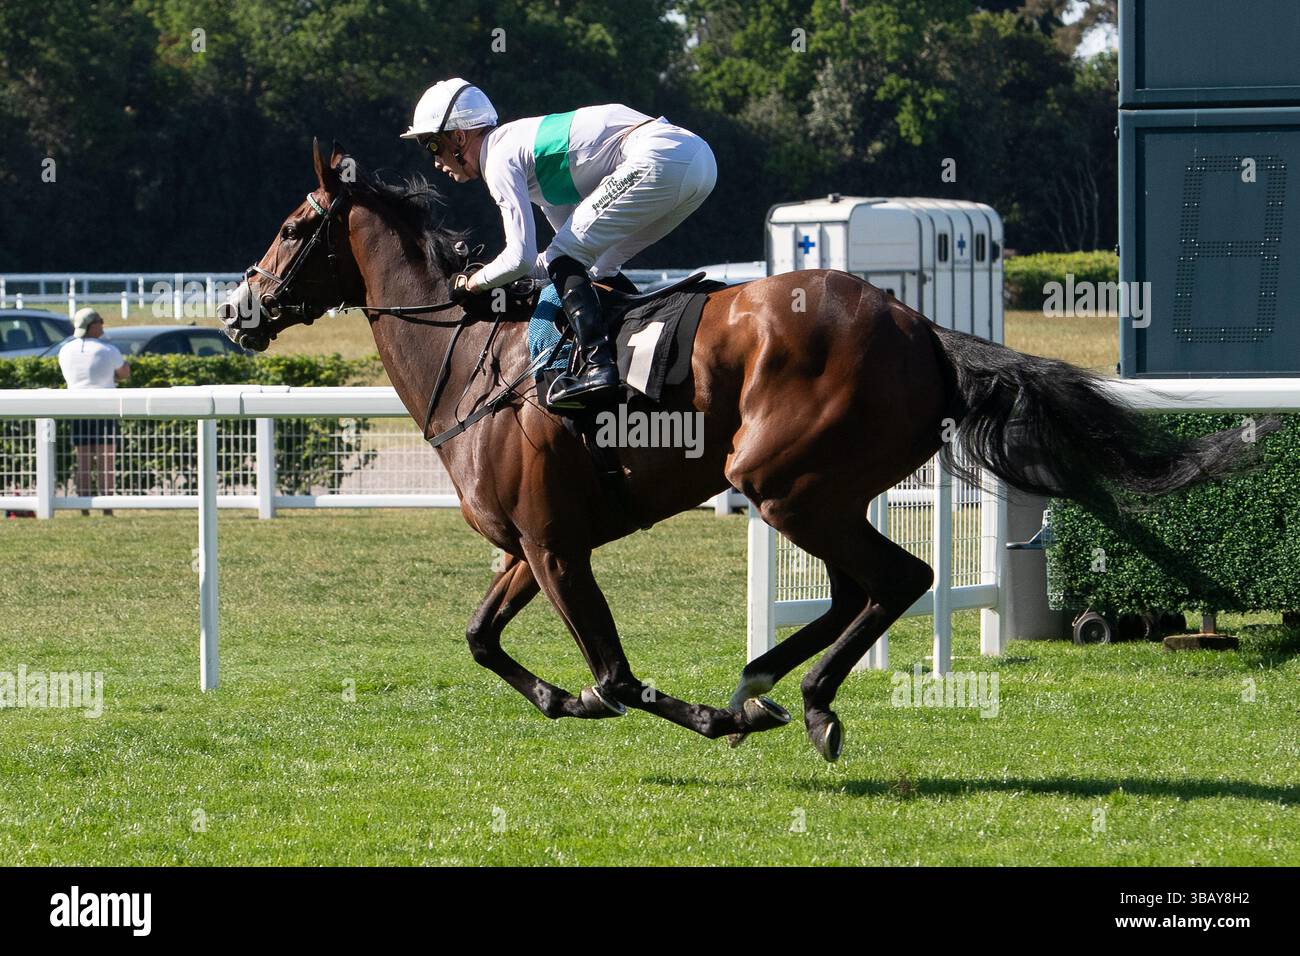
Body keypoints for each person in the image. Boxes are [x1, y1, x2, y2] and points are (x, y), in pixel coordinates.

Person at [401, 78, 717, 408]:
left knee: (568, 255)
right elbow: (558, 263)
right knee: (597, 265)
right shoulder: (528, 158)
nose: (435, 162)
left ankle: (598, 367)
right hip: (697, 164)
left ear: (459, 136)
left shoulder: (498, 158)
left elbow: (523, 258)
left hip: (661, 157)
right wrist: (504, 277)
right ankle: (642, 354)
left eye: (432, 146)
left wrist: (474, 283)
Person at [57, 308, 130, 515]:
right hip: (105, 409)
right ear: (93, 325)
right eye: (101, 321)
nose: (103, 325)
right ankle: (107, 507)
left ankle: (84, 508)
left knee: (83, 461)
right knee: (106, 460)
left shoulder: (65, 350)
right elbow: (124, 373)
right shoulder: (108, 350)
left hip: (78, 410)